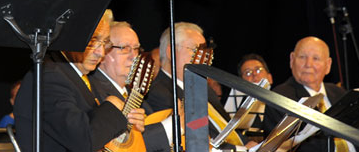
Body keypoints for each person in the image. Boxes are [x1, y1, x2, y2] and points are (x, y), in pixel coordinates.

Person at [13, 10, 146, 151]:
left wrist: (129, 124)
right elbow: (83, 139)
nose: (100, 52)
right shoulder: (49, 76)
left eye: (104, 42)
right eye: (92, 42)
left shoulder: (79, 76)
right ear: (71, 37)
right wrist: (113, 106)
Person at [146, 22, 245, 147]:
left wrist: (248, 144)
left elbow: (226, 127)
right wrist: (239, 149)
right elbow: (195, 136)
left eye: (204, 52)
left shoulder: (206, 89)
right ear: (171, 52)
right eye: (195, 50)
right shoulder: (159, 93)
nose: (203, 58)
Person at [88, 21, 172, 151]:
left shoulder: (138, 96)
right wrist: (174, 125)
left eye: (136, 48)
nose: (134, 56)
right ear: (104, 52)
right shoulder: (91, 91)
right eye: (124, 48)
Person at [262, 36, 354, 152]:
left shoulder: (339, 93)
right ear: (292, 60)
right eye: (302, 57)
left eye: (316, 58)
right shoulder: (280, 97)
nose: (308, 64)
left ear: (328, 65)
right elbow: (296, 145)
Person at [224, 53, 273, 130]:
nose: (254, 74)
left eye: (258, 70)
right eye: (248, 72)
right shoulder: (237, 107)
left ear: (270, 78)